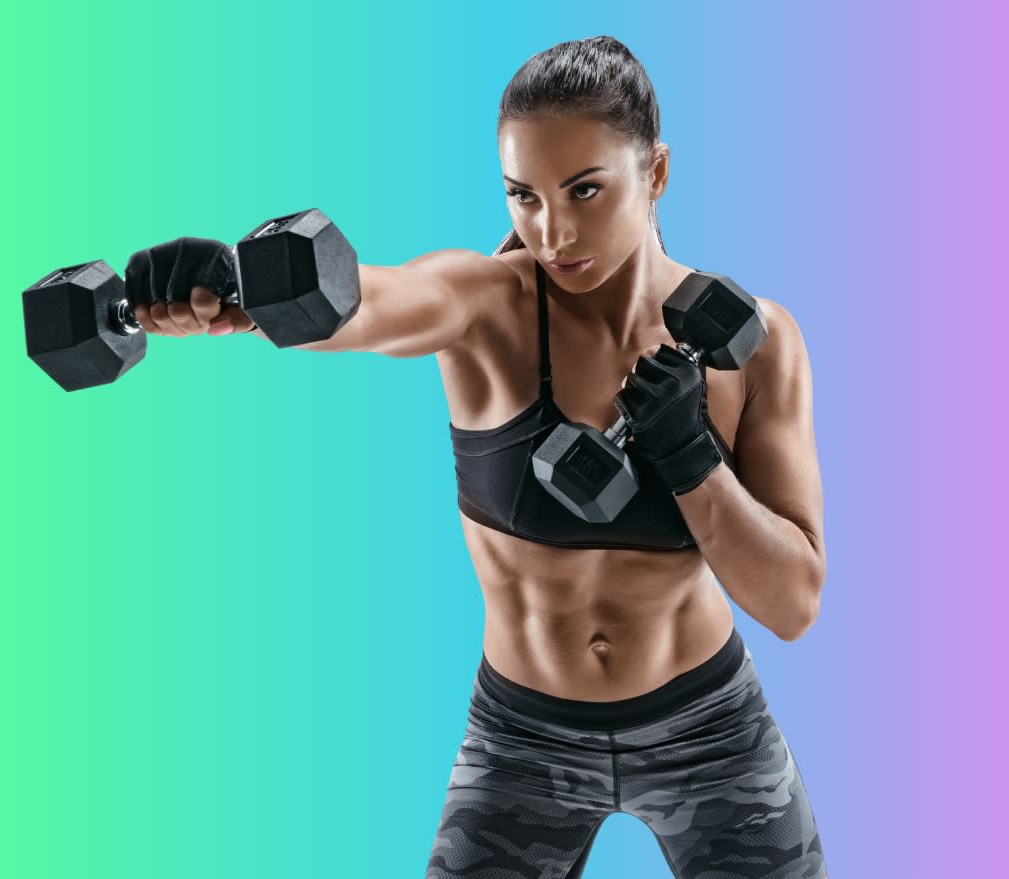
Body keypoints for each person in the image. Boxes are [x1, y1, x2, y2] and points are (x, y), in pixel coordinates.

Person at [128, 34, 826, 879]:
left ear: (657, 173)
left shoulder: (755, 343)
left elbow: (793, 602)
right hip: (526, 736)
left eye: (585, 189)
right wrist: (242, 288)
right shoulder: (489, 307)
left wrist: (692, 460)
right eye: (523, 196)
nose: (553, 231)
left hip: (709, 724)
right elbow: (381, 301)